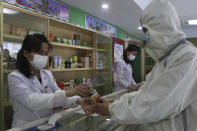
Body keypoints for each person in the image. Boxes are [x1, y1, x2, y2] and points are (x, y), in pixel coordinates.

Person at [81, 0, 197, 131]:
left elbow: (154, 104)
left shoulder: (187, 57)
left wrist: (110, 109)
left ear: (161, 27)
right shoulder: (164, 59)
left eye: (146, 31)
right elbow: (144, 93)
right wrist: (115, 102)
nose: (146, 37)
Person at [8, 34, 90, 127]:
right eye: (40, 53)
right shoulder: (15, 77)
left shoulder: (46, 74)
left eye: (46, 54)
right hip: (26, 126)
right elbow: (32, 102)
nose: (43, 57)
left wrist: (78, 100)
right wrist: (69, 92)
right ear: (26, 53)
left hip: (47, 122)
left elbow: (59, 96)